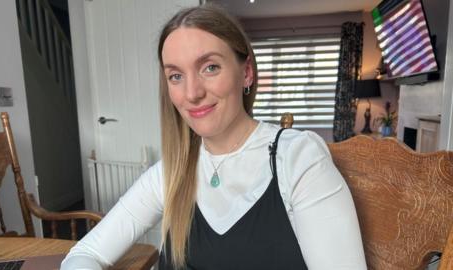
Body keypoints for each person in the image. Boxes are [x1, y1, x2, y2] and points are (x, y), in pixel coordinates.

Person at [61, 4, 366, 270]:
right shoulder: (171, 172)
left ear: (246, 73)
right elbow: (85, 254)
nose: (192, 93)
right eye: (176, 76)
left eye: (210, 67)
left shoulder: (298, 159)